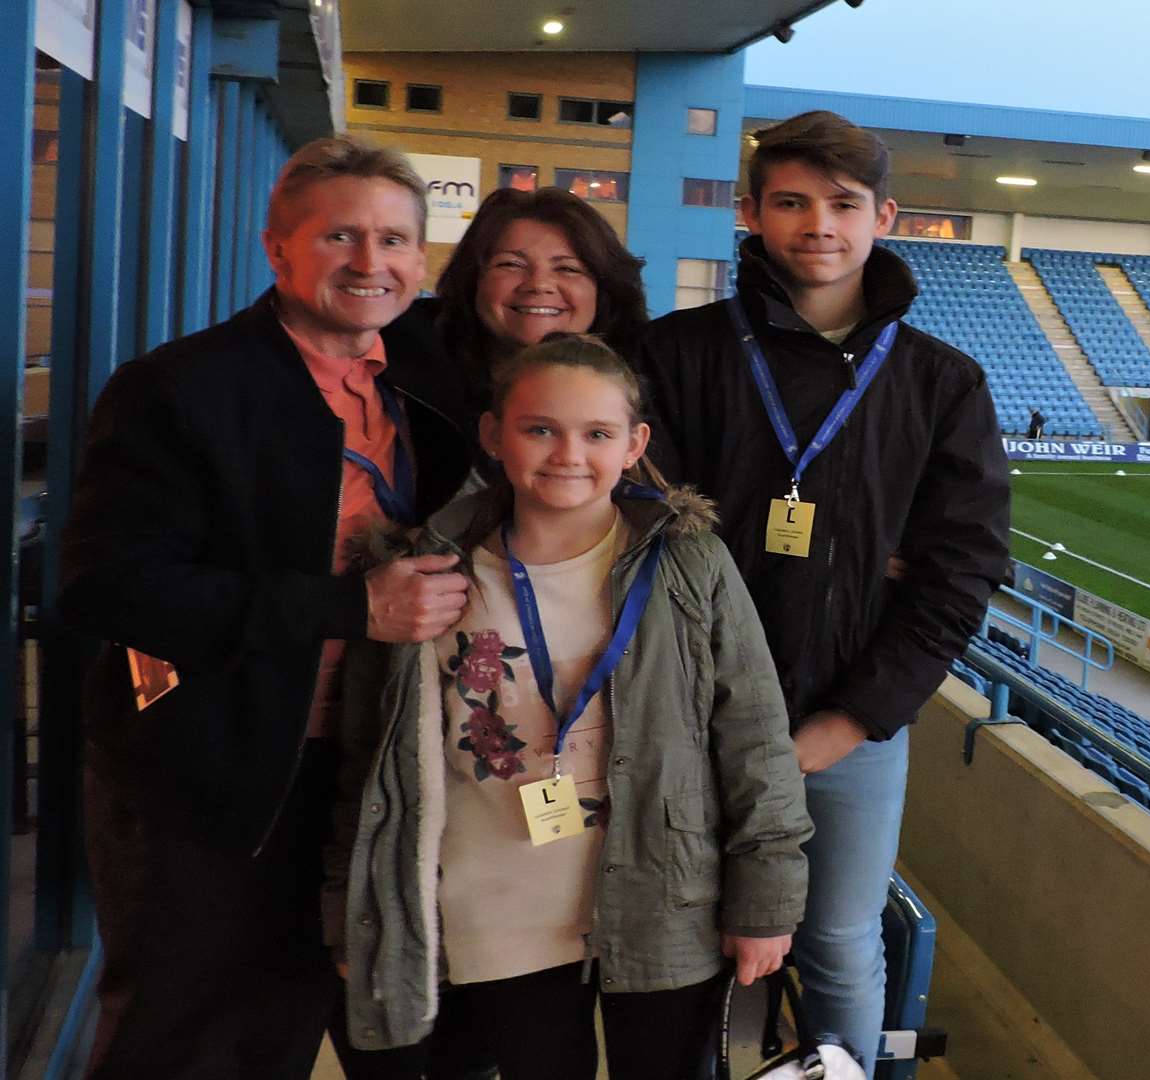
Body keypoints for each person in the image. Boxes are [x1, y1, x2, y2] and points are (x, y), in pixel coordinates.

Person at [57, 136, 474, 1077]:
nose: (372, 262)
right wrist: (345, 608)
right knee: (184, 1030)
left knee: (290, 1017)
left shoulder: (422, 381)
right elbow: (108, 584)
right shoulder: (179, 387)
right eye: (340, 236)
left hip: (363, 755)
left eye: (396, 240)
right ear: (275, 248)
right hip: (209, 767)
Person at [327, 335, 813, 1080]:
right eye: (539, 429)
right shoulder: (423, 570)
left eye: (597, 434)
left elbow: (753, 735)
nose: (568, 454)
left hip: (664, 894)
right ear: (494, 434)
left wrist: (767, 900)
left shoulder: (687, 562)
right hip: (498, 902)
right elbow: (368, 758)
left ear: (634, 445)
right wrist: (347, 902)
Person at [636, 110, 1010, 1074]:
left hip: (848, 724)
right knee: (685, 938)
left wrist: (848, 723)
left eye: (843, 204)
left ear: (883, 216)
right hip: (689, 715)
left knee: (838, 942)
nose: (818, 226)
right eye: (791, 202)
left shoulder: (943, 384)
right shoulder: (678, 355)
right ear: (752, 213)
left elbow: (960, 571)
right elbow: (641, 530)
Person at [422, 185, 648, 419]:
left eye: (567, 268)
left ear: (603, 290)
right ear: (473, 279)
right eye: (511, 264)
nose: (539, 284)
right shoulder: (408, 378)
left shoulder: (654, 394)